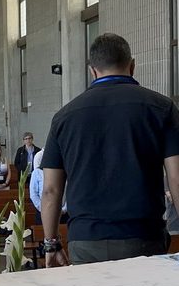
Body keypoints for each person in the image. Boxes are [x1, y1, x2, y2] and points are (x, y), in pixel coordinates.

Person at [41, 33, 179, 267]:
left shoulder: (64, 117)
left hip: (86, 240)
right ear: (132, 65)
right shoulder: (162, 108)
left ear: (92, 70)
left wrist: (51, 244)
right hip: (142, 237)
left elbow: (51, 190)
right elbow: (177, 179)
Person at [29, 150, 67, 225]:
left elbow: (69, 192)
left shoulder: (64, 171)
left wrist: (64, 209)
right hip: (43, 213)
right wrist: (44, 209)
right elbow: (33, 195)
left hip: (63, 213)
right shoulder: (37, 172)